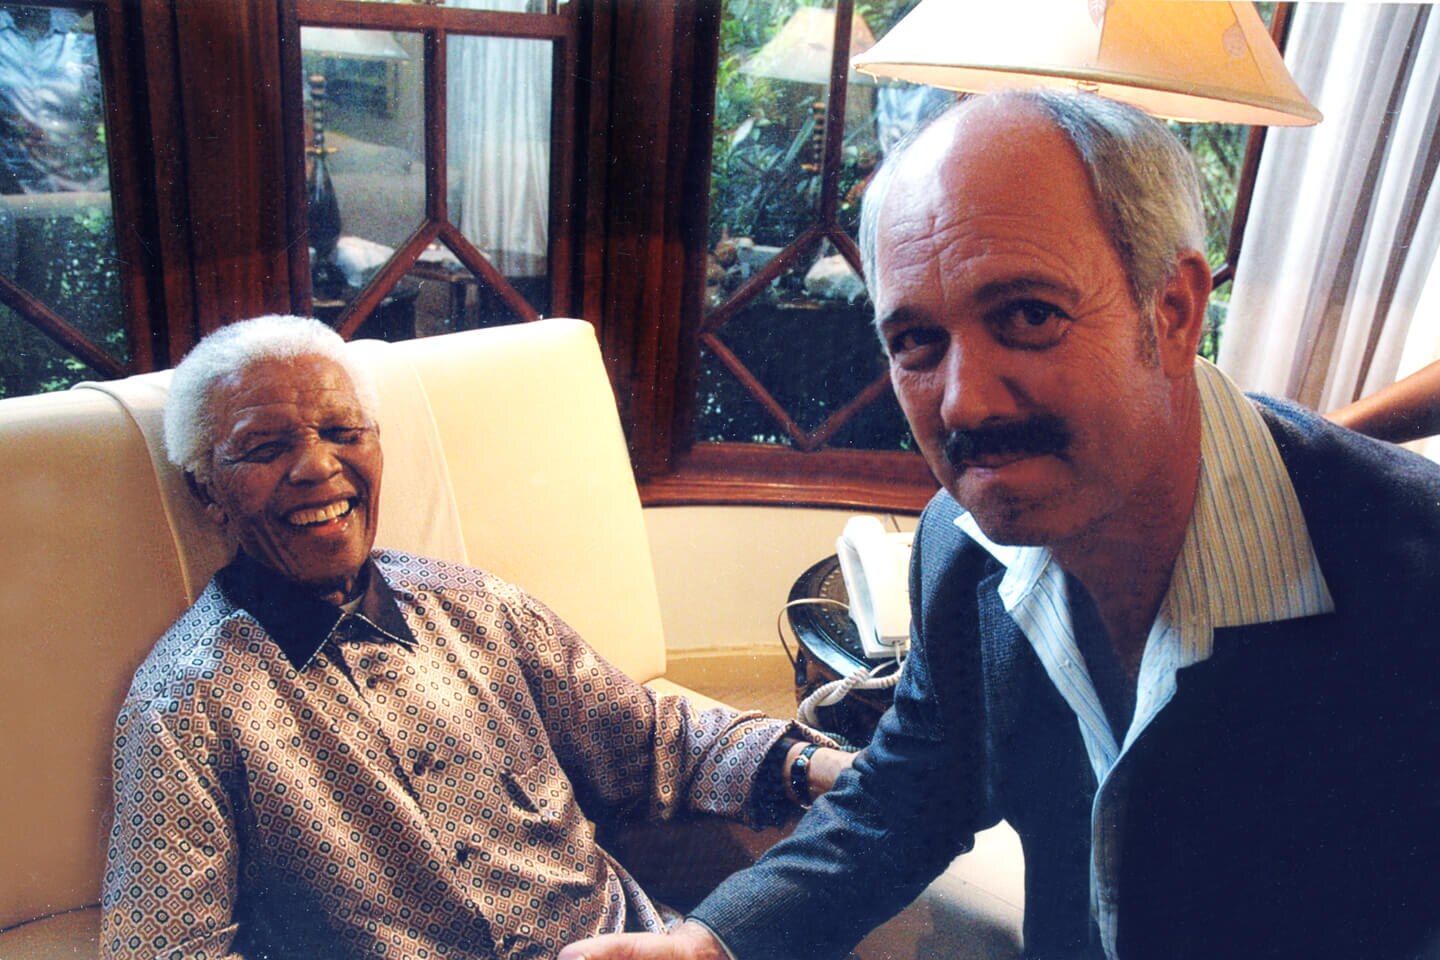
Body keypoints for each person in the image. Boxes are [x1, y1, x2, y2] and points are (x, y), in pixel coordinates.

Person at [560, 90, 1440, 960]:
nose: (964, 403)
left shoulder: (1416, 576)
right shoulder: (958, 545)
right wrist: (709, 943)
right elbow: (912, 790)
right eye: (916, 341)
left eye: (1029, 316)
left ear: (1173, 312)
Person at [100, 315, 851, 960]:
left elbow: (655, 739)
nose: (318, 466)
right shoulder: (183, 706)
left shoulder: (475, 606)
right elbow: (167, 950)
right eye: (265, 448)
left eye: (343, 433)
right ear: (207, 490)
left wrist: (822, 766)